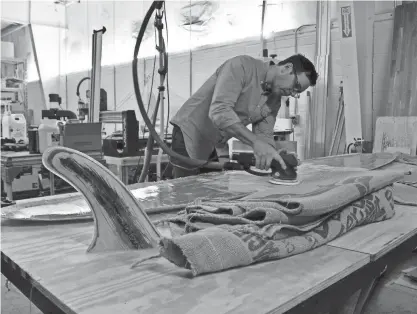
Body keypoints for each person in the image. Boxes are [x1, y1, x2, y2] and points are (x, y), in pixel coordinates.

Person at [169, 54, 318, 178]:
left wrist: (276, 156)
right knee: (187, 192)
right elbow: (219, 112)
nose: (292, 93)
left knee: (211, 192)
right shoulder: (241, 66)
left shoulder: (274, 101)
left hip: (212, 142)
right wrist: (255, 143)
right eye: (296, 86)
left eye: (296, 93)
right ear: (287, 68)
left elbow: (264, 136)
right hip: (188, 132)